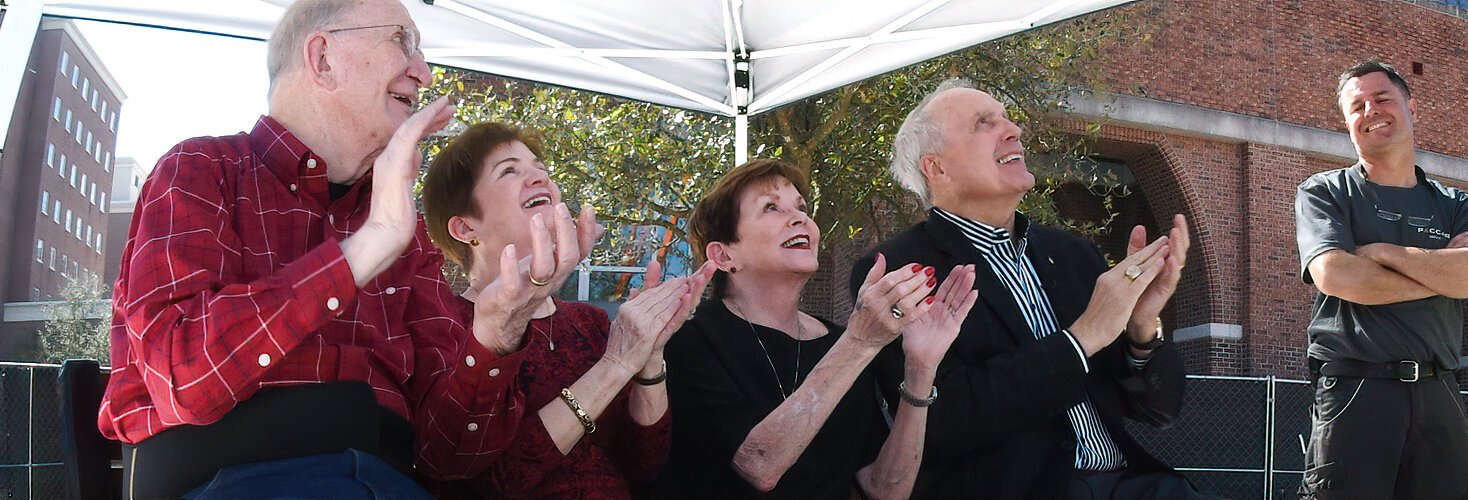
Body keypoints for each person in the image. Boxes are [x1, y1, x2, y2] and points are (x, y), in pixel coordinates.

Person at [97, 1, 565, 496]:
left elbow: (448, 458)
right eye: (402, 42)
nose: (423, 73)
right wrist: (366, 248)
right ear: (322, 58)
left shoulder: (403, 232)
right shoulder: (201, 168)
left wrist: (497, 330)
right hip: (226, 480)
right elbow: (183, 377)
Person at [857, 78, 1214, 500]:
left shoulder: (1075, 254)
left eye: (1008, 118)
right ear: (936, 168)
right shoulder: (899, 271)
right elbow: (942, 421)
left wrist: (1141, 327)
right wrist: (1082, 340)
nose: (1015, 130)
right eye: (984, 123)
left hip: (1134, 483)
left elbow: (1160, 410)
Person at [654, 158, 979, 499]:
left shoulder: (840, 341)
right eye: (771, 208)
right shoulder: (691, 342)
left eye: (802, 207)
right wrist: (860, 342)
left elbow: (884, 490)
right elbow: (759, 466)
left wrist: (920, 368)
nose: (800, 218)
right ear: (722, 256)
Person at [419, 122, 710, 498]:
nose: (538, 177)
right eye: (509, 170)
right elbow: (484, 485)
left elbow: (643, 464)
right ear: (464, 227)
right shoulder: (444, 325)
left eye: (541, 168)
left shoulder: (589, 323)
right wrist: (615, 366)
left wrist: (649, 356)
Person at [1296, 60, 1468, 500]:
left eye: (1383, 98)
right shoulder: (1325, 192)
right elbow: (1336, 275)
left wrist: (1384, 254)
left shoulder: (1455, 204)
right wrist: (1443, 269)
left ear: (1411, 107)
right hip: (1355, 391)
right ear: (1347, 123)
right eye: (1357, 106)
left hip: (1439, 392)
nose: (1371, 111)